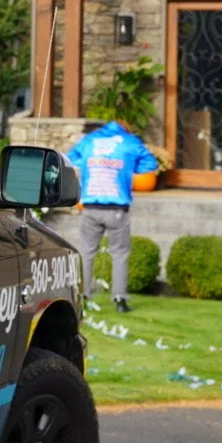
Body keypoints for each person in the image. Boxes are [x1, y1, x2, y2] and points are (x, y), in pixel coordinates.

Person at [66, 121, 158, 314]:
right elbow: (150, 163)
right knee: (120, 255)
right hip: (117, 207)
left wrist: (89, 166)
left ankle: (82, 295)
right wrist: (130, 169)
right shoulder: (130, 142)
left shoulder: (89, 141)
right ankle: (120, 300)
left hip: (90, 206)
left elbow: (71, 158)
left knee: (86, 253)